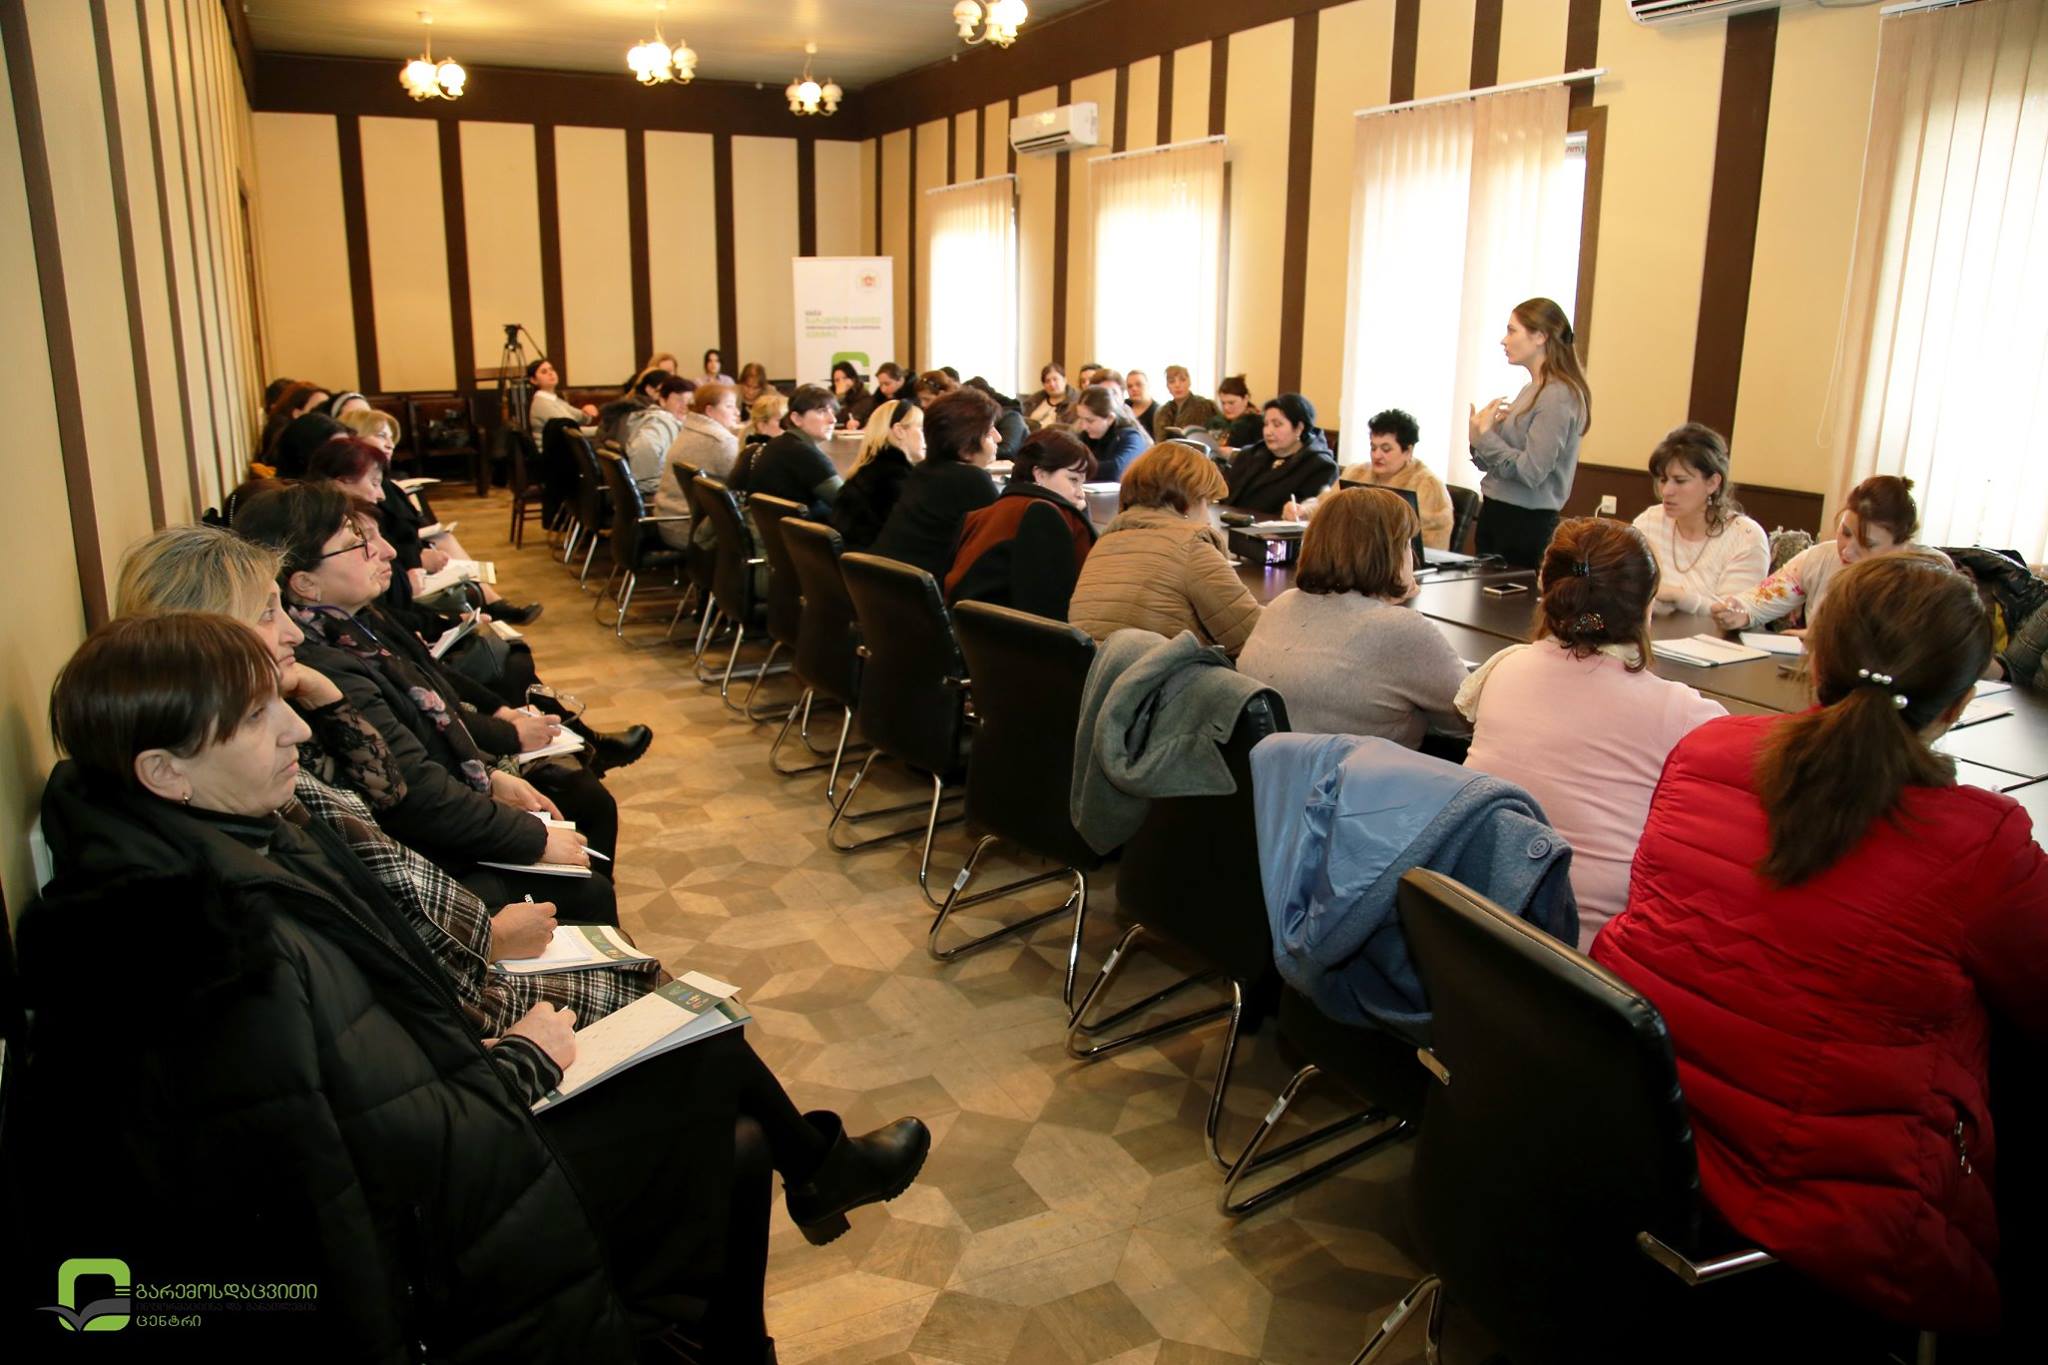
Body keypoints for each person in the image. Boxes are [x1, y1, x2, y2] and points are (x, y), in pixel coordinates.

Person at [11, 613, 934, 1363]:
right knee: (710, 1075)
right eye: (257, 718)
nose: (293, 726)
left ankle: (740, 1302)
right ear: (165, 771)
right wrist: (525, 1058)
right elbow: (367, 1173)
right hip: (435, 1249)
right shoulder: (206, 948)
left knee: (718, 1095)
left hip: (451, 1131)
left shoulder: (222, 843)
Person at [1594, 553, 2048, 1337]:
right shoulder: (1982, 843)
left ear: (1812, 658)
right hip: (1843, 1226)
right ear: (1963, 702)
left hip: (1641, 1141)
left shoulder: (1707, 752)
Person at [1457, 518, 1725, 948]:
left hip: (1476, 922)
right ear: (1647, 606)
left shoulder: (1504, 668)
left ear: (1549, 591)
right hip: (1586, 956)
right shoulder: (1681, 713)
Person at [1237, 487, 1466, 748]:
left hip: (1274, 768)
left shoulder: (1282, 604)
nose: (1412, 557)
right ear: (1387, 554)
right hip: (1361, 773)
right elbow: (1466, 718)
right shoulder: (1401, 630)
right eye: (1406, 544)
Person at [1068, 441, 1262, 655]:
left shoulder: (1105, 541)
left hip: (1095, 671)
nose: (1208, 519)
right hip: (1155, 673)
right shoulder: (1192, 546)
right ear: (1188, 500)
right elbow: (1253, 638)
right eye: (1207, 502)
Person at [1712, 475, 1938, 634]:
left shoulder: (1929, 576)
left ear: (1902, 545)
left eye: (1867, 544)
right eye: (1845, 533)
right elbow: (1758, 600)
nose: (1847, 550)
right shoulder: (1820, 558)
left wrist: (1825, 641)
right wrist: (1738, 611)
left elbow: (1909, 649)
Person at [1468, 296, 1592, 568]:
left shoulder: (1558, 394)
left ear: (1540, 336)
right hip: (1498, 514)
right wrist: (1478, 438)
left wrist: (1487, 438)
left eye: (1512, 331)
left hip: (1523, 525)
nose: (1504, 340)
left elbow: (1531, 471)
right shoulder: (1532, 388)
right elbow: (1494, 464)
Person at [945, 429, 1099, 620]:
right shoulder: (1042, 515)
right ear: (1040, 474)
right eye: (1073, 480)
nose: (1080, 493)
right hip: (1004, 634)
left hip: (970, 631)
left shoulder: (980, 516)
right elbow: (1049, 613)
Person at [1631, 422, 1768, 615]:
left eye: (1680, 481)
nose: (1666, 491)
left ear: (1712, 483)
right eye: (1663, 480)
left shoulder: (1745, 537)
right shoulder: (1649, 522)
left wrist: (1681, 597)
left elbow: (1736, 614)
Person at [870, 387, 1000, 579]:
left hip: (882, 585)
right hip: (921, 592)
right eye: (988, 433)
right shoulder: (972, 480)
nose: (999, 437)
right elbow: (1001, 550)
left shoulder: (922, 470)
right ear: (965, 447)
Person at [1341, 408, 1454, 551]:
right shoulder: (1355, 473)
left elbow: (1425, 543)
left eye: (1386, 449)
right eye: (1373, 448)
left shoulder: (1427, 485)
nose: (1376, 455)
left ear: (1408, 451)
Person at [1222, 393, 1338, 515]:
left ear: (1299, 428)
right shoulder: (1250, 454)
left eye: (1277, 425)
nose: (1268, 432)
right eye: (1266, 424)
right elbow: (1227, 495)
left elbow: (1307, 514)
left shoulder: (1321, 467)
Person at [739, 382, 841, 521]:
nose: (833, 420)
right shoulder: (805, 455)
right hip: (794, 533)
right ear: (797, 419)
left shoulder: (777, 444)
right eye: (821, 411)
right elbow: (850, 505)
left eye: (832, 412)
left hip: (770, 529)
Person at [831, 399, 923, 550]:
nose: (926, 436)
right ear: (899, 430)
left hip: (853, 559)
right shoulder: (896, 478)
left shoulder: (865, 469)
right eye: (921, 428)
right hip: (877, 561)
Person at [622, 374, 695, 493]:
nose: (685, 406)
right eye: (679, 400)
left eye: (690, 402)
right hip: (655, 493)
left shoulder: (673, 423)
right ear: (662, 401)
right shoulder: (658, 425)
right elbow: (644, 476)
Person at [1070, 383, 1152, 481]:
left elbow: (1116, 470)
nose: (1083, 426)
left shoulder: (1131, 437)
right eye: (1081, 418)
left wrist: (1077, 467)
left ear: (1110, 418)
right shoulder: (1087, 435)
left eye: (1090, 421)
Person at [526, 357, 598, 442]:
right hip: (554, 449)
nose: (550, 373)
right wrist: (601, 431)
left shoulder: (554, 399)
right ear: (533, 380)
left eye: (551, 369)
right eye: (544, 372)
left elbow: (580, 418)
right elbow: (570, 431)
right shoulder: (541, 404)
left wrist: (586, 412)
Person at [599, 368, 668, 447]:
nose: (666, 396)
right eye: (664, 391)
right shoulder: (638, 413)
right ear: (649, 390)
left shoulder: (628, 406)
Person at [1155, 364, 1219, 435]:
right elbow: (1159, 439)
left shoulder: (1205, 406)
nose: (1177, 385)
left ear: (1189, 382)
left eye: (1182, 380)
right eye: (1172, 382)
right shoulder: (1162, 412)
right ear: (1167, 386)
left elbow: (1219, 433)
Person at [1210, 376, 1263, 450]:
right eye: (1223, 403)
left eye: (1231, 403)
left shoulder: (1257, 424)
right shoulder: (1216, 421)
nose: (1226, 408)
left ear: (1245, 399)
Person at [1024, 362, 1074, 430]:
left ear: (1064, 380)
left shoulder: (1075, 402)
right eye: (1047, 381)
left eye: (1055, 379)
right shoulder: (1033, 400)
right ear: (1044, 385)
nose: (1052, 384)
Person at [831, 360, 868, 427]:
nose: (841, 383)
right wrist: (839, 397)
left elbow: (850, 418)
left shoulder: (864, 396)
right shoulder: (831, 397)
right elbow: (832, 419)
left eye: (844, 378)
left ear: (853, 379)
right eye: (837, 380)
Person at [1126, 369, 1158, 437]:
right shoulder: (1123, 406)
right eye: (1129, 386)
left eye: (1139, 384)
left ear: (1148, 385)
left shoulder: (1158, 412)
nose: (1134, 389)